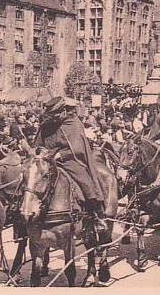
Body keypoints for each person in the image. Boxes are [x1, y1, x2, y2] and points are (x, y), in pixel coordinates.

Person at [34, 96, 108, 233]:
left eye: (56, 114)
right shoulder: (46, 124)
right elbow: (38, 144)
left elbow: (78, 148)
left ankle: (95, 214)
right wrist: (40, 153)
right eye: (51, 115)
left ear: (63, 111)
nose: (54, 117)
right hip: (46, 161)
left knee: (85, 181)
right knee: (28, 179)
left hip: (69, 160)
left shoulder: (73, 123)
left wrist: (59, 155)